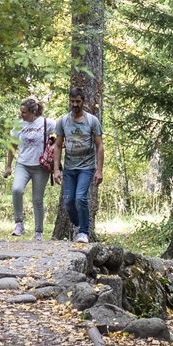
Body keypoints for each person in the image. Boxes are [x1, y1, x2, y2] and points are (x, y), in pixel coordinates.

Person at [50, 86, 105, 244]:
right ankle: (79, 224)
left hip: (86, 167)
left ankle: (83, 232)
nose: (75, 104)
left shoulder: (92, 121)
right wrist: (56, 170)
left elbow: (100, 146)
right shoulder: (63, 121)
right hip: (69, 167)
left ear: (83, 101)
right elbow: (58, 145)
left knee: (80, 198)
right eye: (72, 101)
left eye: (78, 101)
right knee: (68, 201)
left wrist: (99, 170)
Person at [5, 96, 54, 239]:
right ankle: (19, 224)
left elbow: (61, 135)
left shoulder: (46, 123)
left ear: (33, 112)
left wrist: (54, 148)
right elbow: (12, 145)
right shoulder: (19, 125)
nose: (22, 114)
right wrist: (8, 166)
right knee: (16, 189)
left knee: (37, 199)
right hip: (23, 164)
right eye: (21, 112)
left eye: (24, 112)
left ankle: (38, 232)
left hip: (41, 166)